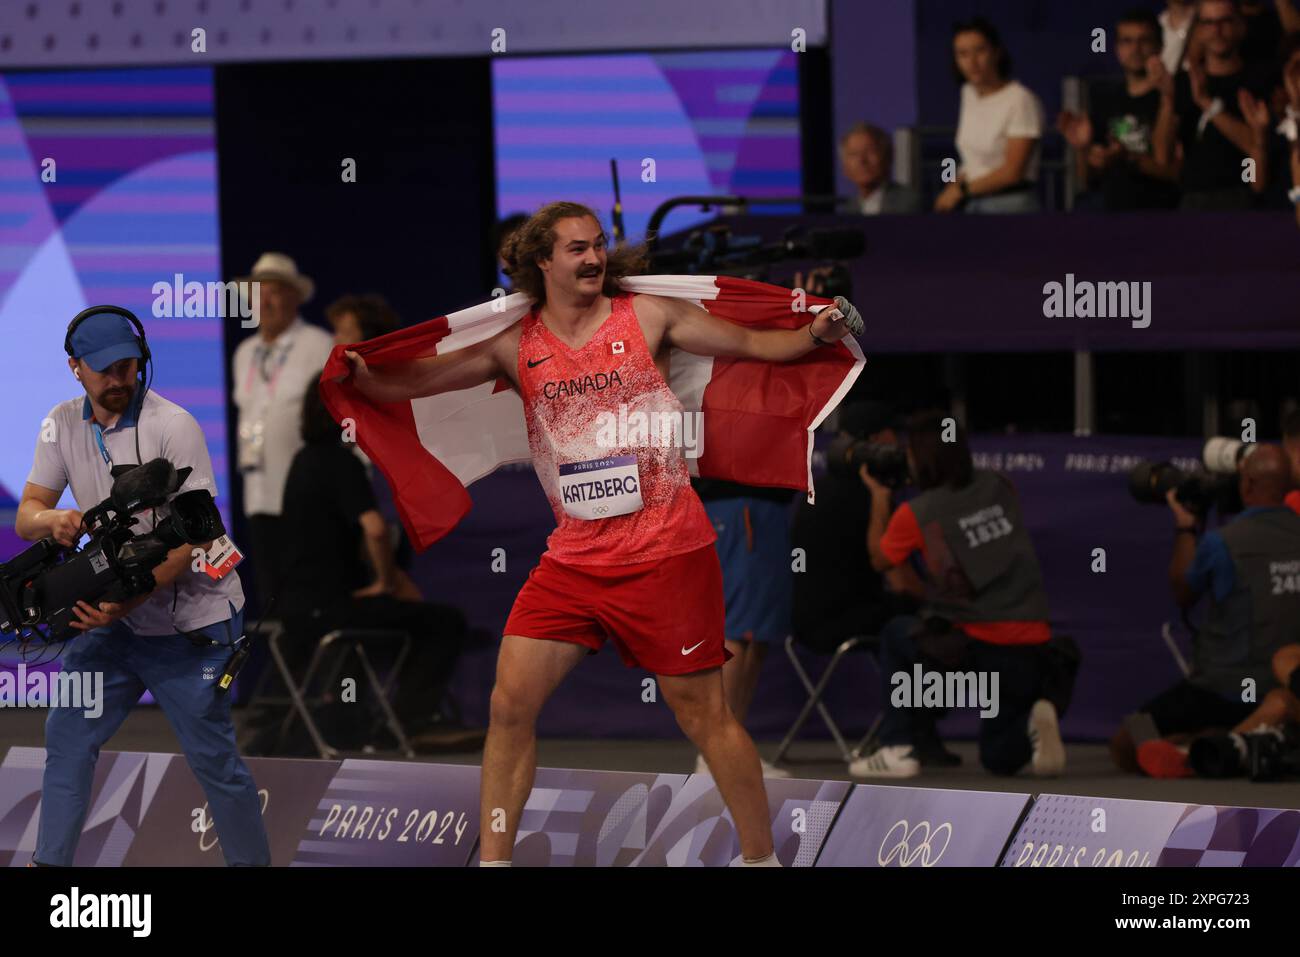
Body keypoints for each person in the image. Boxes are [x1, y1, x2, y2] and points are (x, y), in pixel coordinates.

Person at [342, 200, 864, 867]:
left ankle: (760, 858)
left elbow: (757, 343)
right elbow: (423, 379)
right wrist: (366, 378)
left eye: (597, 246)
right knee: (509, 704)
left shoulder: (648, 316)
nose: (592, 258)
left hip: (667, 550)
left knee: (704, 715)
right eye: (576, 249)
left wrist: (815, 333)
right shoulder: (516, 344)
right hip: (575, 560)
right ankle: (495, 861)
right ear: (541, 262)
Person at [17, 307, 269, 866]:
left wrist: (122, 602)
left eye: (127, 367)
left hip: (191, 626)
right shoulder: (60, 423)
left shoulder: (173, 425)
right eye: (103, 370)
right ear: (75, 368)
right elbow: (28, 512)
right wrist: (52, 521)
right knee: (67, 740)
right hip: (115, 626)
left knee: (213, 761)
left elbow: (194, 541)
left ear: (141, 363)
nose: (117, 380)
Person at [250, 378, 479, 755]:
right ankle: (405, 724)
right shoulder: (341, 463)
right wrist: (386, 581)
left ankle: (371, 721)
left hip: (296, 608)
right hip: (330, 609)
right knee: (444, 623)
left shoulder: (302, 460)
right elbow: (374, 528)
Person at [850, 412, 1068, 779]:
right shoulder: (1001, 485)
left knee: (896, 633)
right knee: (998, 758)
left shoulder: (916, 513)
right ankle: (1034, 718)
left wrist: (879, 496)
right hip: (1035, 649)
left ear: (923, 459)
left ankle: (898, 747)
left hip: (979, 647)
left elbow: (879, 558)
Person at [1110, 445, 1300, 776]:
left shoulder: (1222, 542)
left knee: (1127, 741)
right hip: (1286, 684)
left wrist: (1185, 526)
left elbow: (1183, 592)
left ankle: (1209, 747)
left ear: (1248, 484)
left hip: (1222, 687)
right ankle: (1229, 740)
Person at [231, 252, 333, 608]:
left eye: (274, 291)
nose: (265, 301)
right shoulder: (245, 353)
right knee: (271, 597)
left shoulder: (319, 346)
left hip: (305, 497)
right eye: (258, 292)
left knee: (306, 597)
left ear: (294, 297)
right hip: (259, 493)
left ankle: (312, 663)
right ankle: (285, 661)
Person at [690, 475, 796, 779]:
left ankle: (734, 749)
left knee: (756, 636)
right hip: (739, 503)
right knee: (738, 631)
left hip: (768, 505)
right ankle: (715, 754)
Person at [1154, 0, 1274, 209]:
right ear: (1198, 31)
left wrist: (1208, 104)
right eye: (1208, 23)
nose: (1216, 31)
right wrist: (1167, 100)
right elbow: (1163, 156)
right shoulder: (1184, 82)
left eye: (1225, 21)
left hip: (1243, 198)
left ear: (1241, 26)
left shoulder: (1259, 79)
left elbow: (1256, 146)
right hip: (1193, 199)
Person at [1058, 9, 1181, 210]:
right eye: (1127, 41)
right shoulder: (1105, 99)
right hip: (1115, 216)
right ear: (1116, 48)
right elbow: (1088, 180)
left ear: (1160, 46)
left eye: (1145, 41)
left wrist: (1127, 158)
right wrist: (1082, 149)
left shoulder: (1175, 93)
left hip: (1165, 214)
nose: (1136, 49)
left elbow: (1177, 171)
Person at [937, 17, 1044, 214]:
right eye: (963, 54)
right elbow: (974, 162)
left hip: (1011, 204)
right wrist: (953, 186)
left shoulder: (1020, 99)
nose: (972, 62)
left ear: (997, 52)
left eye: (980, 50)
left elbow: (1013, 172)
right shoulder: (968, 93)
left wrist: (961, 191)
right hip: (974, 203)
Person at [838, 123, 922, 215]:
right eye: (854, 154)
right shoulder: (848, 210)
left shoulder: (909, 204)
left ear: (888, 157)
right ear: (844, 167)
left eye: (870, 151)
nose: (862, 160)